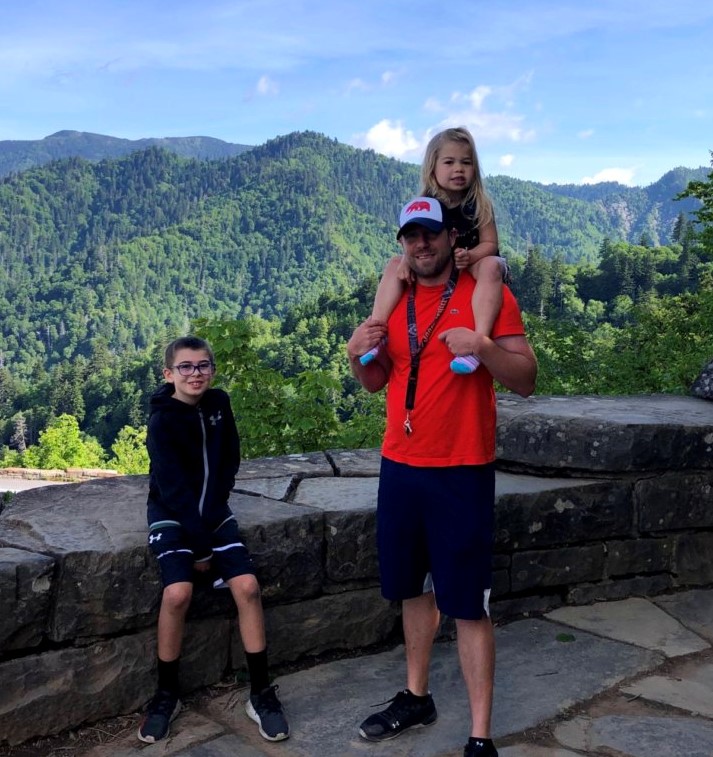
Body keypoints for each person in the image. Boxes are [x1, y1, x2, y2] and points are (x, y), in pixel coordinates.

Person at [347, 198, 536, 757]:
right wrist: (358, 356)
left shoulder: (486, 294)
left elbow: (525, 377)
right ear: (402, 243)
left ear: (453, 238)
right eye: (411, 236)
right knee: (412, 591)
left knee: (468, 604)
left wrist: (480, 346)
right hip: (401, 467)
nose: (420, 245)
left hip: (462, 470)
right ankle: (416, 695)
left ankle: (480, 735)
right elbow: (377, 380)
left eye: (430, 234)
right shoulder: (397, 296)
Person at [139, 336, 289, 744]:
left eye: (203, 365)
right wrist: (202, 547)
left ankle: (260, 693)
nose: (195, 374)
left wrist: (216, 509)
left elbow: (230, 459)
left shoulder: (219, 404)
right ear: (168, 374)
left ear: (213, 369)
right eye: (185, 367)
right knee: (178, 593)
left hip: (214, 510)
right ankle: (166, 695)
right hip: (172, 514)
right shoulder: (163, 420)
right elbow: (171, 489)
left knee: (248, 587)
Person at [360, 126, 507, 374]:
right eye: (449, 162)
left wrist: (471, 255)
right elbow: (415, 242)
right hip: (444, 264)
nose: (458, 169)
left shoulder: (479, 203)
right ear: (433, 168)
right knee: (395, 263)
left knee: (492, 266)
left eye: (466, 162)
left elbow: (490, 244)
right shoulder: (427, 204)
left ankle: (477, 343)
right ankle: (376, 332)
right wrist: (407, 259)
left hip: (476, 261)